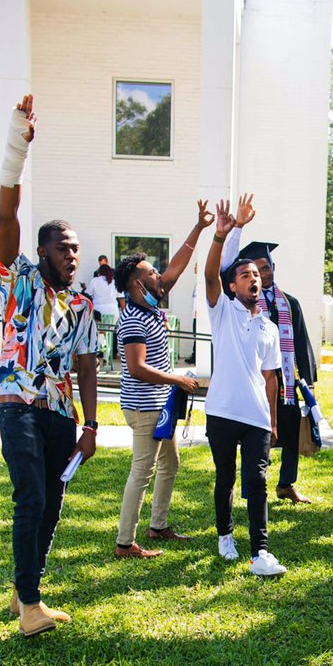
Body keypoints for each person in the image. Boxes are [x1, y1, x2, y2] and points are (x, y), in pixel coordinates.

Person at [0, 95, 99, 636]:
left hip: (61, 413)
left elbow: (85, 364)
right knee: (30, 495)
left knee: (53, 502)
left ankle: (22, 588)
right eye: (63, 248)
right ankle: (31, 607)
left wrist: (91, 425)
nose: (72, 256)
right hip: (20, 405)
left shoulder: (82, 303)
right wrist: (17, 149)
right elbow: (6, 214)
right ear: (42, 250)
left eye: (77, 249)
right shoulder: (21, 278)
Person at [113, 207, 206, 559]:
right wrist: (177, 379)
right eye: (152, 272)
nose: (159, 275)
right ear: (138, 283)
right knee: (143, 470)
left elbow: (177, 268)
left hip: (158, 405)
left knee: (170, 465)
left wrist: (198, 228)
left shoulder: (149, 306)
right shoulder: (134, 318)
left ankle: (158, 525)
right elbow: (136, 367)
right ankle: (125, 543)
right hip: (143, 407)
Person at [206, 198, 286, 576]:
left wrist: (271, 422)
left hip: (255, 415)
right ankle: (225, 536)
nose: (253, 278)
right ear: (232, 286)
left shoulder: (268, 327)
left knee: (257, 481)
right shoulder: (221, 311)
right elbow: (210, 275)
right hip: (222, 411)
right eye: (245, 275)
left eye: (256, 274)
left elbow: (271, 378)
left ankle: (261, 553)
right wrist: (225, 233)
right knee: (226, 478)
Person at [221, 199, 318, 503]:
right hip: (256, 381)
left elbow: (301, 341)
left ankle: (286, 483)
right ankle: (253, 487)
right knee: (258, 436)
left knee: (289, 432)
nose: (265, 273)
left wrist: (308, 379)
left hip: (286, 381)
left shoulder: (289, 302)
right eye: (259, 269)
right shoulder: (241, 304)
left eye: (268, 267)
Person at [83, 259, 120, 370]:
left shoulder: (95, 280)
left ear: (99, 272)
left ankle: (100, 351)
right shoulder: (115, 281)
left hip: (99, 311)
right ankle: (107, 356)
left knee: (100, 333)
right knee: (110, 335)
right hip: (113, 311)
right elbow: (121, 297)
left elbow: (87, 294)